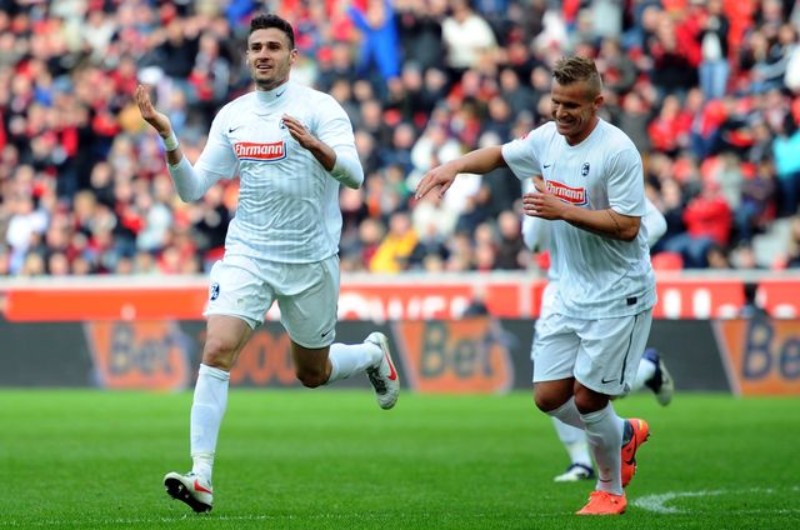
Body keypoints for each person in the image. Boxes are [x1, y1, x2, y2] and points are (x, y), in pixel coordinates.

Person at [135, 13, 400, 513]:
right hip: (248, 256)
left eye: (273, 47)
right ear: (247, 54)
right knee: (216, 349)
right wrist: (169, 138)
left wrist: (320, 150)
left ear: (292, 56)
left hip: (310, 261)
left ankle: (369, 355)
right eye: (256, 46)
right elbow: (192, 192)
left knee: (313, 374)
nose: (263, 54)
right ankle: (202, 475)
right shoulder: (232, 116)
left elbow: (357, 177)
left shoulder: (322, 109)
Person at [416, 56, 656, 516]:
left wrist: (561, 210)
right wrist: (454, 166)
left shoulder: (618, 151)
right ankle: (621, 434)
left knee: (588, 399)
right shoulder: (547, 139)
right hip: (569, 291)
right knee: (549, 397)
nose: (561, 113)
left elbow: (627, 226)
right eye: (556, 102)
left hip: (617, 293)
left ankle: (609, 490)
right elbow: (500, 156)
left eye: (572, 106)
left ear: (597, 103)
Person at [523, 191, 675, 483]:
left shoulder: (604, 171)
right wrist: (542, 198)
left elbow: (655, 223)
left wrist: (619, 259)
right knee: (551, 387)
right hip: (560, 291)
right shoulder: (542, 171)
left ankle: (647, 371)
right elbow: (535, 242)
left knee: (596, 389)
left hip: (607, 292)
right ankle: (580, 461)